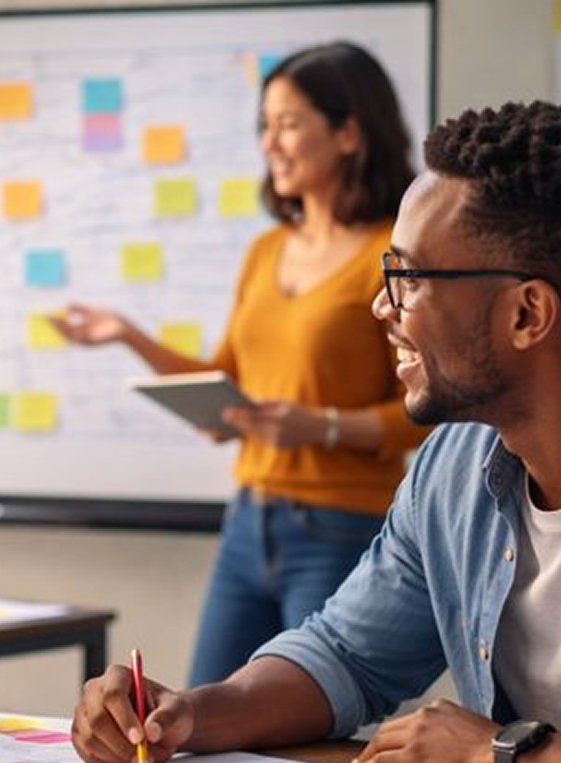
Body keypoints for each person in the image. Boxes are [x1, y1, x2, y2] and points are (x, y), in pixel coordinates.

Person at [71, 99, 561, 763]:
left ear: (527, 315)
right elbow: (346, 655)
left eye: (406, 278)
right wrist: (190, 714)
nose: (381, 306)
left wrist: (508, 757)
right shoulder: (456, 463)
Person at [50, 43, 429, 686]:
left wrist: (324, 428)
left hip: (340, 529)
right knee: (202, 713)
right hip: (248, 524)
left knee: (312, 724)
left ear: (348, 132)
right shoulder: (263, 250)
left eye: (288, 123)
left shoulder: (391, 252)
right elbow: (228, 376)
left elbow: (430, 408)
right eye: (265, 125)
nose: (270, 143)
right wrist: (130, 337)